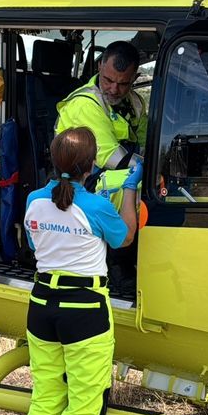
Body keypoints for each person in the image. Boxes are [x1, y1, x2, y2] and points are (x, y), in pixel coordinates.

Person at [5, 127, 141, 415]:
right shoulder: (96, 206)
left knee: (46, 399)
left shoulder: (33, 200)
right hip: (83, 310)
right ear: (92, 164)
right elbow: (125, 237)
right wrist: (129, 190)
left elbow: (36, 245)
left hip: (41, 306)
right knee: (83, 406)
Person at [53, 41, 145, 299]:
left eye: (123, 83)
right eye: (108, 80)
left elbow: (149, 142)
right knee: (136, 185)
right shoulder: (86, 103)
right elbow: (114, 158)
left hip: (110, 172)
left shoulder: (135, 103)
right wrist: (149, 170)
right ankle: (118, 262)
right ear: (99, 67)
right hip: (83, 177)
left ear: (134, 78)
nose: (114, 89)